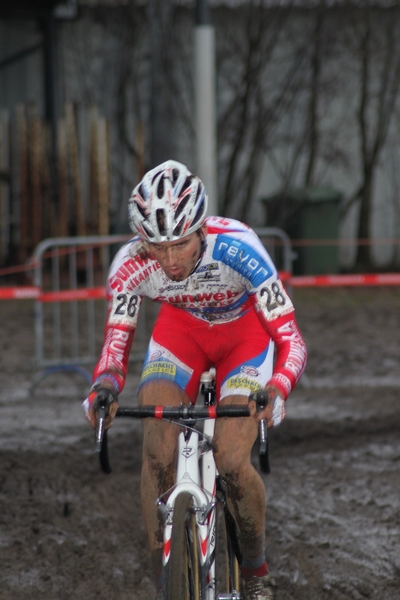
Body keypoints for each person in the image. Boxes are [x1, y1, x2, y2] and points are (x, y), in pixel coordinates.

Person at [84, 160, 307, 600]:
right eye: (156, 246)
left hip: (244, 337)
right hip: (181, 333)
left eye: (180, 244)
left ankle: (256, 570)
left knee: (230, 459)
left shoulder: (239, 247)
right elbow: (115, 344)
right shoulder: (131, 265)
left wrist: (277, 387)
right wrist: (104, 386)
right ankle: (164, 572)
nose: (169, 260)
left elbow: (292, 340)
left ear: (201, 230)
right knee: (157, 451)